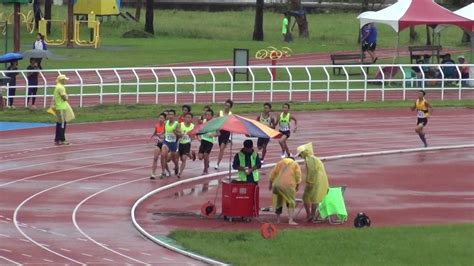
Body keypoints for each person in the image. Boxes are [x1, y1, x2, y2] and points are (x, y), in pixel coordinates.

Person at [296, 143, 329, 222]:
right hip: (318, 180)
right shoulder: (312, 158)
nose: (300, 156)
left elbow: (312, 171)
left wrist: (309, 181)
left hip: (315, 181)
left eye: (300, 154)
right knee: (311, 198)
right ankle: (311, 215)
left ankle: (311, 216)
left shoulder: (309, 159)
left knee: (313, 198)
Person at [269, 157, 302, 225]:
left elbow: (273, 173)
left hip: (277, 184)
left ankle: (278, 220)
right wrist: (297, 186)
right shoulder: (295, 164)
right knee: (291, 201)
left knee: (279, 201)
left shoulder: (280, 162)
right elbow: (298, 175)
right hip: (288, 185)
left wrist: (270, 184)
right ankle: (290, 220)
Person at [51, 74, 74, 145]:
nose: (65, 81)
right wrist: (67, 96)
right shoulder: (61, 87)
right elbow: (64, 98)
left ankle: (57, 139)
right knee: (62, 124)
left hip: (58, 106)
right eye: (64, 80)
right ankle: (62, 139)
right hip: (61, 107)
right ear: (62, 80)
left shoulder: (57, 86)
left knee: (59, 123)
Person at [161, 109, 180, 178]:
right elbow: (164, 131)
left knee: (174, 159)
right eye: (169, 114)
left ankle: (177, 166)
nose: (170, 116)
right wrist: (161, 135)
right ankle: (167, 171)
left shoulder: (177, 124)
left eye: (171, 114)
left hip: (173, 143)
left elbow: (180, 134)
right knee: (163, 156)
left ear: (174, 116)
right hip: (166, 142)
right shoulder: (165, 122)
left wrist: (176, 132)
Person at [215, 99, 233, 170]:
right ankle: (227, 141)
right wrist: (217, 131)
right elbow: (215, 122)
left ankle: (217, 163)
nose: (226, 107)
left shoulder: (231, 114)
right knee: (220, 148)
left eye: (228, 106)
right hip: (220, 132)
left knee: (222, 148)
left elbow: (232, 124)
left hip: (226, 132)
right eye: (225, 105)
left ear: (230, 107)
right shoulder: (220, 113)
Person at [198, 109, 217, 175]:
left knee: (206, 155)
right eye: (206, 115)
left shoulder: (214, 123)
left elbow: (219, 133)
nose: (207, 116)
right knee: (200, 157)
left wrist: (213, 134)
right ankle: (207, 161)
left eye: (209, 115)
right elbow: (199, 126)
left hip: (210, 141)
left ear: (212, 116)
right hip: (203, 140)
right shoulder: (204, 121)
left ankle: (205, 169)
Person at [177, 112, 196, 178]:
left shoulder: (192, 126)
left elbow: (194, 137)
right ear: (184, 118)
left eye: (189, 117)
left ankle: (179, 173)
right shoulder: (180, 125)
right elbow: (177, 133)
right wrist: (180, 134)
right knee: (181, 159)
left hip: (187, 144)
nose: (188, 119)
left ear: (191, 119)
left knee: (183, 158)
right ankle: (189, 153)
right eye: (187, 117)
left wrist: (191, 136)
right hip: (180, 143)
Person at [150, 112, 166, 180]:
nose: (160, 119)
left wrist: (162, 134)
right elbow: (156, 131)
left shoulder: (166, 126)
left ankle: (163, 172)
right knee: (155, 157)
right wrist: (153, 135)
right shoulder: (157, 125)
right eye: (159, 118)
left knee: (162, 157)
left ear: (165, 119)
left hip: (164, 143)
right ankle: (153, 173)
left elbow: (165, 132)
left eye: (162, 118)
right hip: (158, 143)